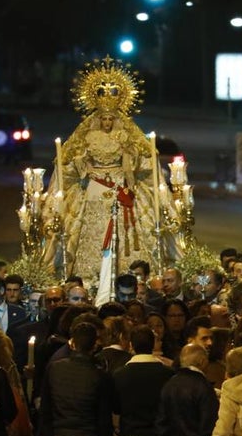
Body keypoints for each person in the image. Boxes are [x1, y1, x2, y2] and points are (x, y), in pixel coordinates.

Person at [48, 59, 166, 286]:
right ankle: (91, 275)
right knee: (92, 227)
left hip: (120, 184)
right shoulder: (90, 136)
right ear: (98, 118)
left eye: (111, 118)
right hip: (96, 185)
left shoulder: (123, 136)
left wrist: (130, 166)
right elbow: (77, 156)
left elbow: (133, 158)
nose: (107, 122)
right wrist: (85, 167)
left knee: (126, 226)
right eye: (104, 118)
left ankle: (126, 271)